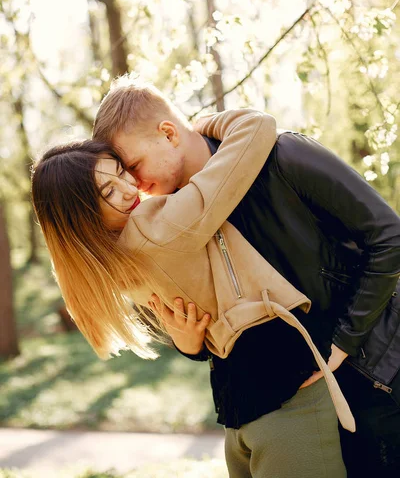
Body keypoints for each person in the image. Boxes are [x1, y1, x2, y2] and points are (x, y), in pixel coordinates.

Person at [92, 77, 400, 478]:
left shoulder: (283, 155)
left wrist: (344, 341)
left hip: (374, 376)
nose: (133, 184)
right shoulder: (174, 220)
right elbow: (226, 325)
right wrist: (191, 345)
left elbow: (389, 237)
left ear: (167, 133)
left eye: (132, 167)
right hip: (296, 412)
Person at [32, 105, 349, 478]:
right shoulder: (155, 228)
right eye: (108, 191)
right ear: (82, 216)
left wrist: (190, 344)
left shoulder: (114, 267)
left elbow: (198, 326)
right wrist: (196, 127)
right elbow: (257, 129)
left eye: (123, 172)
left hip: (241, 414)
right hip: (286, 400)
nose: (131, 189)